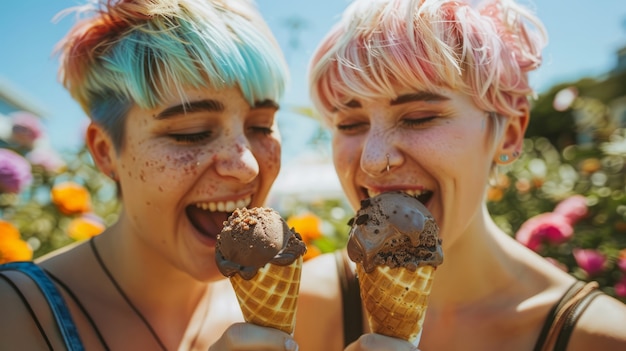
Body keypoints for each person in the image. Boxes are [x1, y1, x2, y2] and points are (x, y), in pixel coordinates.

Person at [300, 0, 626, 350]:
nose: (374, 160)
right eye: (350, 124)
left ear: (510, 133)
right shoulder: (296, 312)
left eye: (419, 117)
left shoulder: (601, 338)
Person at [0, 0, 300, 350]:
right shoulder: (14, 316)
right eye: (193, 131)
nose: (245, 165)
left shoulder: (311, 304)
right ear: (104, 151)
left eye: (261, 126)